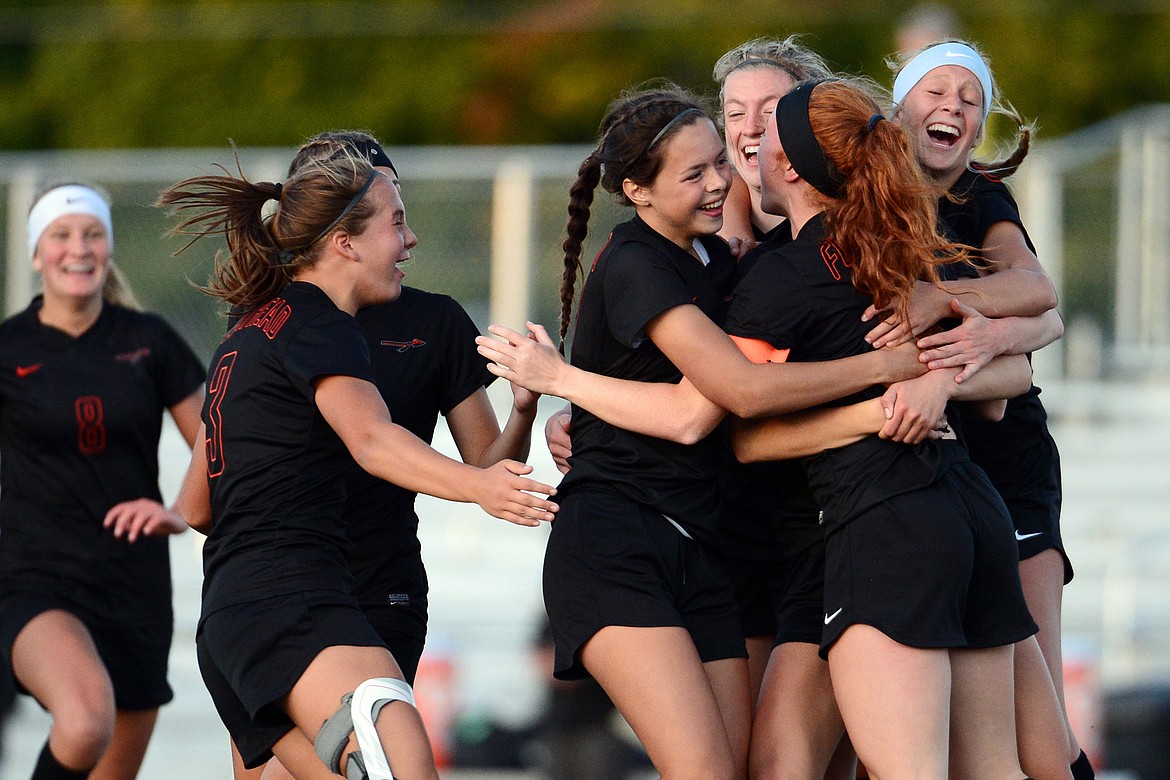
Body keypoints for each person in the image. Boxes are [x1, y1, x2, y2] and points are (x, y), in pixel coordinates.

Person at [474, 84, 938, 780]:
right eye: (693, 174)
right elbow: (712, 406)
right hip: (618, 545)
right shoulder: (636, 262)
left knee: (744, 769)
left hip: (701, 550)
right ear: (637, 190)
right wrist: (892, 365)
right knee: (705, 771)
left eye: (720, 161)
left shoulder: (715, 261)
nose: (721, 181)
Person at [158, 152, 558, 779]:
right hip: (296, 601)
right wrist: (479, 486)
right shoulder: (321, 323)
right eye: (396, 222)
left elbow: (199, 506)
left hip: (241, 613)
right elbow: (372, 441)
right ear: (343, 241)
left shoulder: (255, 329)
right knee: (401, 762)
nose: (411, 237)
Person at [725, 77, 1036, 778]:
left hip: (888, 526)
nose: (750, 142)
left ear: (789, 165)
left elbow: (740, 426)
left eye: (767, 130)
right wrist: (925, 380)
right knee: (994, 770)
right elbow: (1013, 375)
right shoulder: (907, 251)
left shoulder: (778, 278)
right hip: (974, 512)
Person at [867, 39, 1088, 780]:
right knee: (949, 737)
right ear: (899, 107)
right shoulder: (865, 194)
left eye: (971, 98)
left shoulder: (982, 197)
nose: (954, 107)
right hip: (925, 471)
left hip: (1006, 464)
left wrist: (953, 304)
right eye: (938, 90)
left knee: (1041, 732)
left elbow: (1039, 295)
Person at [0, 183, 205, 779]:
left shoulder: (150, 340)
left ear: (109, 249)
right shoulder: (8, 349)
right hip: (37, 581)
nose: (78, 248)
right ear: (37, 254)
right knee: (87, 719)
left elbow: (219, 451)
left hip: (134, 589)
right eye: (61, 236)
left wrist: (182, 512)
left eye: (92, 234)